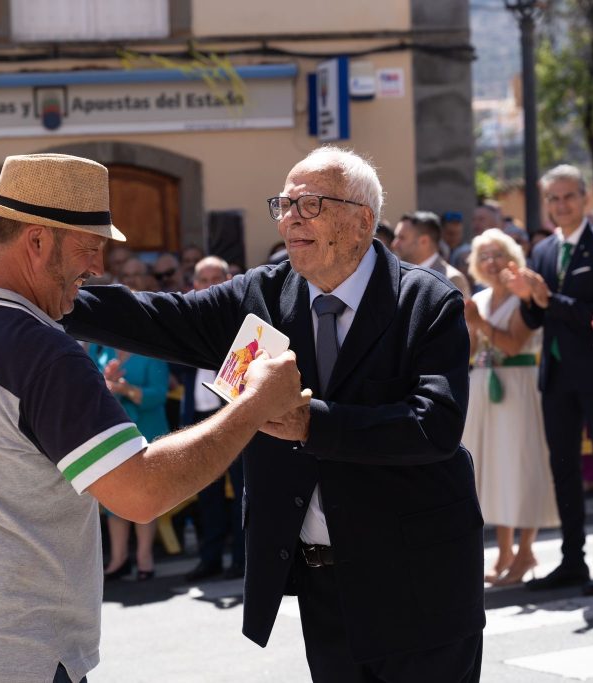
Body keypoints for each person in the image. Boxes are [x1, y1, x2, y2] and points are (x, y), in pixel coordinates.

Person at [0, 153, 308, 683]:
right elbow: (141, 494)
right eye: (89, 248)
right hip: (4, 658)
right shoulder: (45, 353)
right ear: (37, 240)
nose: (98, 268)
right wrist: (252, 406)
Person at [65, 146, 485, 682]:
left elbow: (435, 425)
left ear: (361, 222)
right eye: (283, 205)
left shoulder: (426, 302)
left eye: (309, 205)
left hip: (420, 583)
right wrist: (46, 296)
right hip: (325, 583)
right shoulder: (263, 293)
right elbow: (159, 319)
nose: (290, 219)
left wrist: (314, 423)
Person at [504, 164, 593, 595]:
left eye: (568, 196)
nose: (561, 205)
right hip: (555, 376)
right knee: (563, 468)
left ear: (585, 196)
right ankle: (572, 558)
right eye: (553, 199)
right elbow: (537, 317)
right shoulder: (541, 252)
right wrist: (529, 300)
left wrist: (548, 298)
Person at [461, 230, 558, 586]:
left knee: (521, 465)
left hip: (518, 386)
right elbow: (471, 351)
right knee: (493, 471)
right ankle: (504, 552)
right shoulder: (481, 298)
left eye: (497, 254)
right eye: (484, 256)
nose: (491, 262)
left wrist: (479, 324)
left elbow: (515, 344)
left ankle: (526, 551)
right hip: (485, 386)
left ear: (512, 257)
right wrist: (470, 329)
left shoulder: (522, 298)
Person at [183, 256, 246, 582]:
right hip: (198, 416)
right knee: (207, 495)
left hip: (231, 416)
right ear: (193, 286)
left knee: (240, 492)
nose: (208, 286)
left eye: (215, 279)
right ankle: (209, 560)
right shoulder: (187, 321)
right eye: (202, 280)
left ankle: (240, 560)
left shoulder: (241, 319)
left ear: (229, 280)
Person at [89, 340, 170, 582]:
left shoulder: (152, 350)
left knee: (144, 495)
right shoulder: (99, 349)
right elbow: (88, 386)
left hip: (147, 430)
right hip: (113, 431)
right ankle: (118, 559)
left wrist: (127, 390)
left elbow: (159, 394)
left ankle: (145, 559)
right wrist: (106, 381)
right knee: (114, 496)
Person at [393, 211, 472, 296]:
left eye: (401, 238)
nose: (394, 244)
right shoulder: (397, 276)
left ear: (424, 241)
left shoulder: (451, 279)